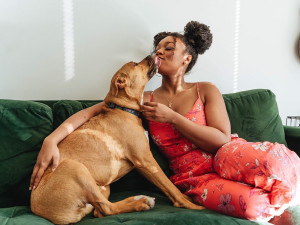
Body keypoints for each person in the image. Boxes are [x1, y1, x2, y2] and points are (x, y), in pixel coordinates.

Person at [30, 21, 300, 221]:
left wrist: (172, 118)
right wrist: (52, 138)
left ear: (187, 58)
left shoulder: (205, 89)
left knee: (279, 162)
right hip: (194, 177)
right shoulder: (140, 101)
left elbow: (220, 140)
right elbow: (94, 111)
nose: (158, 53)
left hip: (226, 155)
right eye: (156, 49)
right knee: (254, 207)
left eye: (168, 48)